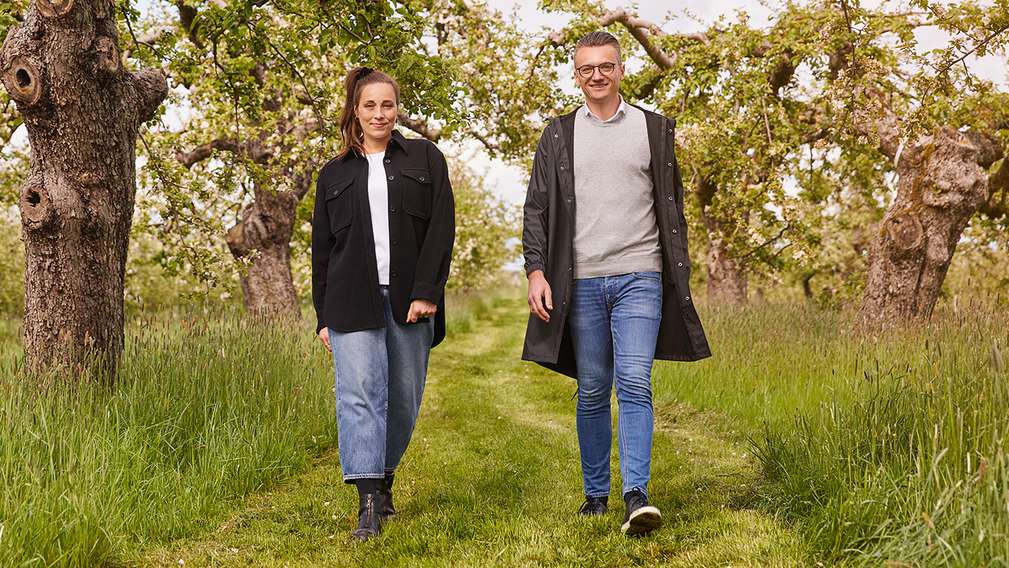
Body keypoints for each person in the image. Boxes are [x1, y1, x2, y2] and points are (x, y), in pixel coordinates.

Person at [521, 31, 712, 537]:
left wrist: (678, 270)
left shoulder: (654, 129)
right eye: (587, 68)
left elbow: (671, 206)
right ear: (576, 75)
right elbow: (536, 208)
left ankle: (636, 495)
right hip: (581, 281)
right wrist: (536, 271)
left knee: (634, 383)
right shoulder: (558, 134)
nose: (597, 76)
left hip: (640, 275)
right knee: (591, 389)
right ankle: (595, 494)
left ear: (622, 70)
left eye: (606, 66)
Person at [311, 67, 455, 542]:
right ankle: (368, 501)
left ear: (397, 109)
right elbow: (322, 251)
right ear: (355, 111)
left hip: (410, 298)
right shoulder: (333, 174)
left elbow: (441, 229)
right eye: (369, 105)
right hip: (350, 300)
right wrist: (323, 317)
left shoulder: (426, 158)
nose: (379, 114)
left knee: (404, 399)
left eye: (387, 105)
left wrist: (427, 291)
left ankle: (385, 473)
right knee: (359, 396)